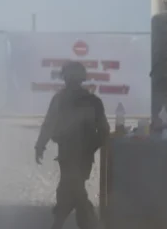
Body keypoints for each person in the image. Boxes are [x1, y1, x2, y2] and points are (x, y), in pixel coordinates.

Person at [35, 61, 110, 229]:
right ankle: (81, 223)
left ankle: (62, 222)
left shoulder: (62, 100)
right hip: (78, 156)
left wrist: (40, 146)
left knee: (71, 191)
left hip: (70, 154)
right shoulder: (92, 101)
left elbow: (49, 124)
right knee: (72, 190)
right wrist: (92, 146)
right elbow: (104, 131)